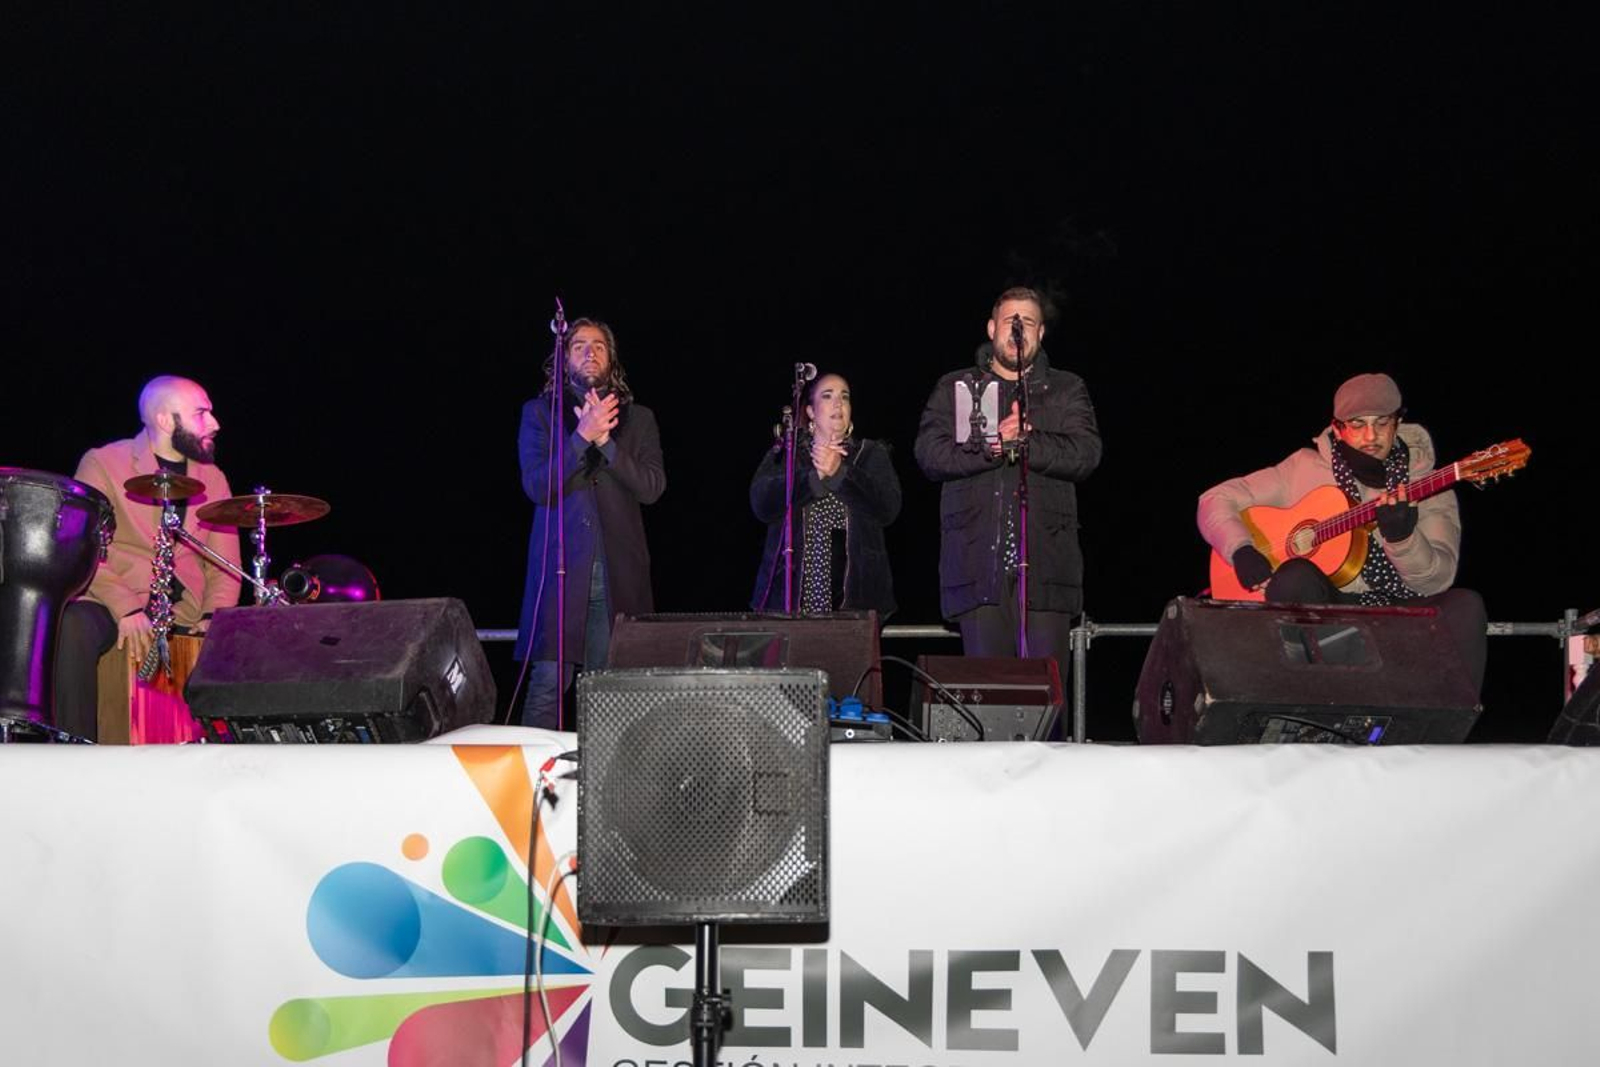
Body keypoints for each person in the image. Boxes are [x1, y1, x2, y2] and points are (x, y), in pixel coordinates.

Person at [1197, 371, 1487, 689]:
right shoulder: (1303, 469)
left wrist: (1402, 538)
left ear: (1398, 423)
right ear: (1338, 427)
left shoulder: (1429, 488)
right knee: (1295, 575)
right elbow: (1214, 499)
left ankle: (1443, 725)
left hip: (1394, 606)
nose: (1370, 435)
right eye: (1358, 424)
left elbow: (1437, 579)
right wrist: (1241, 550)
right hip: (1328, 605)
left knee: (1466, 607)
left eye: (1382, 422)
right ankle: (1312, 702)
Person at [913, 286, 1103, 662]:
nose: (1018, 329)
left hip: (1046, 572)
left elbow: (1086, 454)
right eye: (1009, 321)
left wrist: (1030, 440)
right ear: (990, 328)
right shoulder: (956, 387)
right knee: (990, 698)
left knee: (1047, 705)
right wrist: (990, 449)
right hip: (978, 570)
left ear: (1041, 333)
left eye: (1028, 322)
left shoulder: (1066, 388)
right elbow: (929, 455)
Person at [55, 375, 243, 740]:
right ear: (164, 420)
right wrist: (125, 607)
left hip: (184, 611)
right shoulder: (104, 462)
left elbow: (223, 565)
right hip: (114, 604)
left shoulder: (214, 478)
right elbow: (83, 546)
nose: (215, 424)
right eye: (202, 413)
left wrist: (211, 618)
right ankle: (73, 749)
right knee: (72, 626)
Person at [514, 318, 665, 729]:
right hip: (561, 571)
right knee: (548, 682)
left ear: (611, 357)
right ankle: (530, 784)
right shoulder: (540, 414)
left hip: (618, 573)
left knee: (608, 689)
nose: (589, 352)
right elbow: (537, 486)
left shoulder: (640, 419)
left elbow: (652, 487)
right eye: (579, 345)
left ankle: (605, 787)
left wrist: (605, 444)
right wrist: (580, 436)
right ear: (564, 357)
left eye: (599, 345)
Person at [750, 372, 901, 617]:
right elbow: (761, 503)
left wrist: (840, 473)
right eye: (828, 396)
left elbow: (888, 507)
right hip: (788, 604)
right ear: (811, 411)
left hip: (856, 606)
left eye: (845, 396)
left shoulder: (870, 454)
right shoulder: (789, 454)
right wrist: (814, 479)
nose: (838, 403)